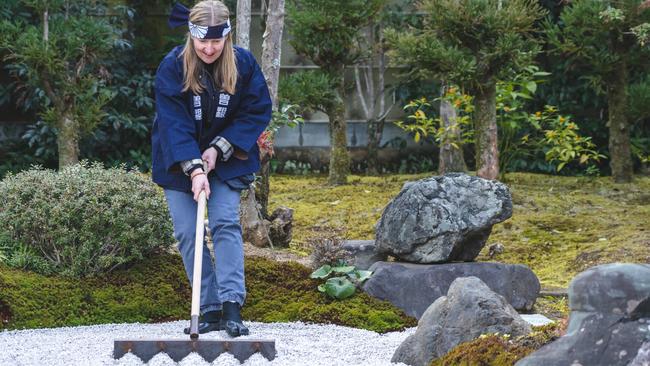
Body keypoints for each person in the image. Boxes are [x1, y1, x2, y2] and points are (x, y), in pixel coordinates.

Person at [151, 1, 272, 337]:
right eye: (202, 41)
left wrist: (220, 148)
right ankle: (209, 306)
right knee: (188, 232)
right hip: (178, 161)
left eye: (216, 42)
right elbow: (173, 124)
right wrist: (194, 169)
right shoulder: (172, 66)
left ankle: (232, 306)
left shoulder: (243, 63)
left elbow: (257, 110)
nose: (208, 48)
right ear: (192, 35)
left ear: (226, 37)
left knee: (224, 223)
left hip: (229, 157)